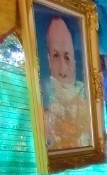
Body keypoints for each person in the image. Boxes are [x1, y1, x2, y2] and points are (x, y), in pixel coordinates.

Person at [43, 17, 91, 150]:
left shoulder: (90, 112)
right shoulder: (44, 117)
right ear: (48, 60)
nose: (63, 70)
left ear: (75, 62)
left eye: (67, 57)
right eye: (56, 56)